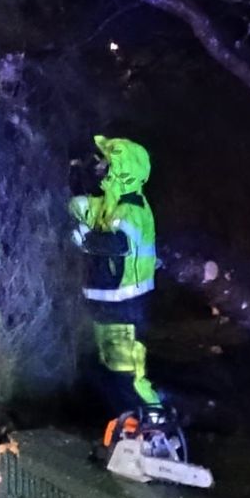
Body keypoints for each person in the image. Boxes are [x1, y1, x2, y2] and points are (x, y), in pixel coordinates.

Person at [69, 136, 162, 418]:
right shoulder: (108, 203)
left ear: (123, 167)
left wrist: (83, 238)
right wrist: (76, 170)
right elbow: (78, 205)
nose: (101, 166)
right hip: (105, 302)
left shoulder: (132, 208)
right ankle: (129, 428)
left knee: (130, 375)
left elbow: (117, 244)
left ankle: (156, 431)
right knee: (109, 368)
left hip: (126, 304)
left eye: (107, 162)